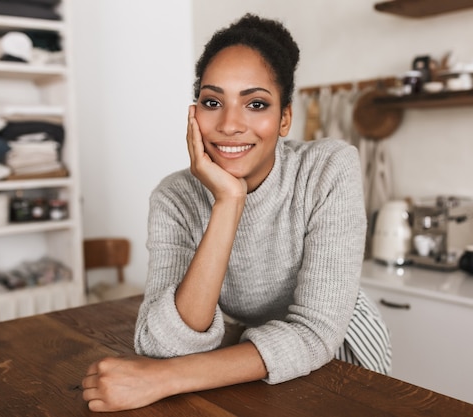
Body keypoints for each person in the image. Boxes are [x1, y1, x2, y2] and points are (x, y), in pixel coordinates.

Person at [82, 13, 391, 412]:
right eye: (213, 102)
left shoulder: (329, 168)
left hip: (337, 358)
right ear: (195, 114)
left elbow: (315, 333)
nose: (230, 124)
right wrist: (228, 202)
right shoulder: (174, 196)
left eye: (256, 104)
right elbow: (162, 344)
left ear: (284, 118)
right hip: (241, 359)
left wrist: (163, 379)